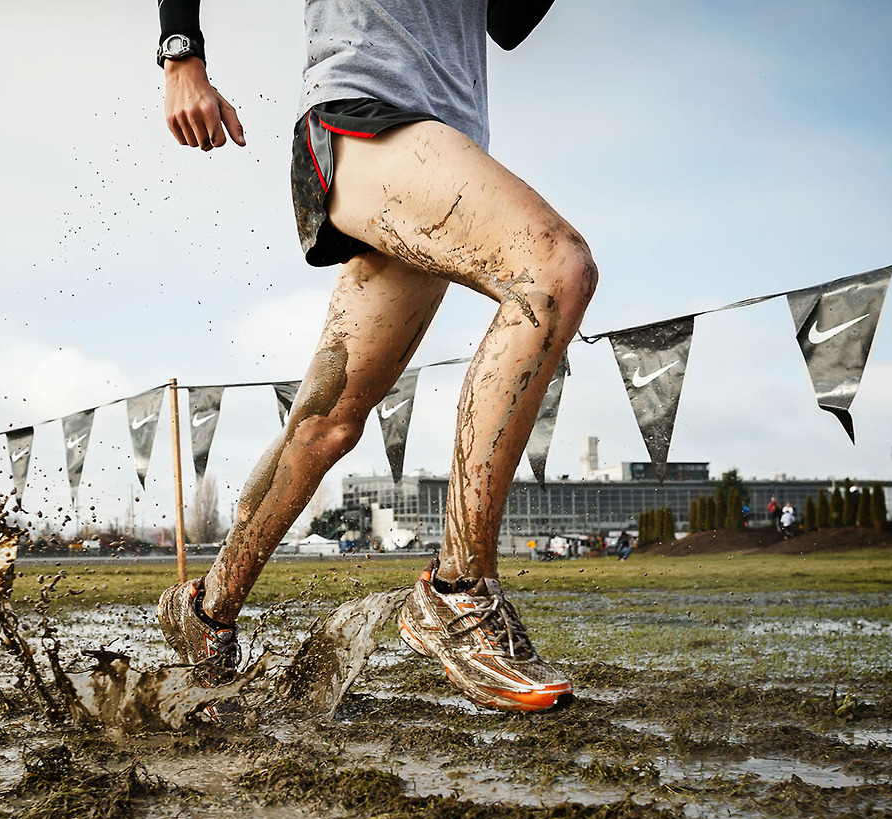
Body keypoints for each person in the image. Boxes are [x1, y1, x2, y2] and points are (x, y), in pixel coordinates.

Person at [153, 0, 592, 713]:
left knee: (329, 422)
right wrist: (182, 53)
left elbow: (505, 22)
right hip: (362, 113)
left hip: (440, 143)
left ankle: (204, 611)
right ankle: (457, 592)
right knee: (553, 267)